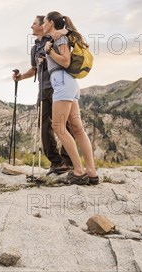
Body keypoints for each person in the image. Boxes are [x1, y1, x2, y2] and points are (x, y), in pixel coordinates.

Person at [41, 11, 99, 185]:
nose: (43, 25)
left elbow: (65, 61)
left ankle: (79, 172)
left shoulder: (59, 38)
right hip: (69, 84)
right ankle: (92, 172)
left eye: (44, 22)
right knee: (77, 128)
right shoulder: (59, 37)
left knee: (58, 127)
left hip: (62, 82)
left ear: (51, 22)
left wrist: (50, 51)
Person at [13, 16, 73, 175]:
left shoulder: (55, 37)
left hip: (58, 86)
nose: (31, 26)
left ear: (42, 26)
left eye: (33, 23)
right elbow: (34, 69)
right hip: (43, 88)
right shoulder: (34, 48)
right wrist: (21, 77)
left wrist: (62, 33)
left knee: (64, 124)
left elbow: (69, 32)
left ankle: (68, 160)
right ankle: (56, 162)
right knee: (44, 125)